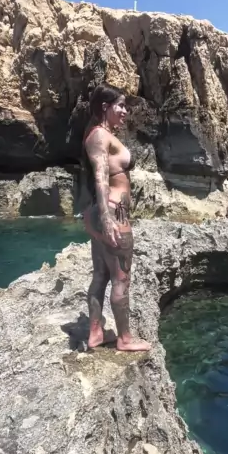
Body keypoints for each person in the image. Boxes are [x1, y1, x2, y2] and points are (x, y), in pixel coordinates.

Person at [83, 83, 151, 352]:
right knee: (121, 278)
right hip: (112, 213)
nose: (125, 111)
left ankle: (95, 333)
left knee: (100, 275)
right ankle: (125, 338)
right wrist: (107, 218)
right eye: (120, 106)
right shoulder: (100, 136)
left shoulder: (99, 134)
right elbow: (100, 176)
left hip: (101, 213)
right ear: (105, 107)